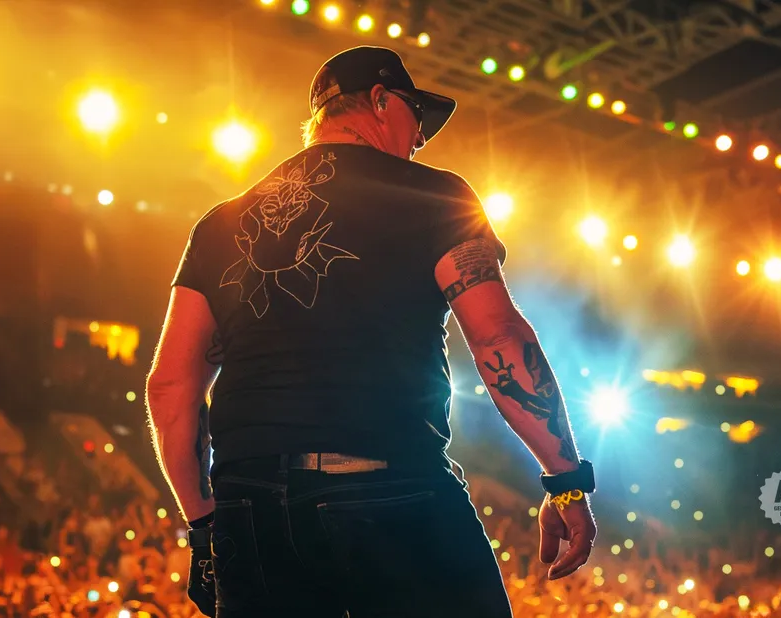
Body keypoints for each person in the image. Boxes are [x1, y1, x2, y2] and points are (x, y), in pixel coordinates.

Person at [145, 46, 597, 618]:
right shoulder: (431, 195)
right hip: (391, 491)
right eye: (416, 117)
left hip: (251, 512)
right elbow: (496, 337)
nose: (420, 140)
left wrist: (207, 529)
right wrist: (566, 480)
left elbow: (170, 390)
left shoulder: (220, 224)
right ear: (381, 102)